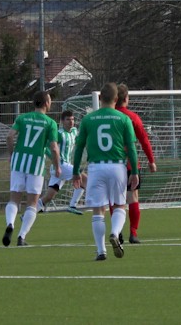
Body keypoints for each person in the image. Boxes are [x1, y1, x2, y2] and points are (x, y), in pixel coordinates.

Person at [72, 82, 139, 261]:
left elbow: (79, 148)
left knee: (98, 210)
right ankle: (115, 233)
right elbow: (131, 148)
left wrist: (76, 171)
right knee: (119, 206)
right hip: (117, 166)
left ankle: (101, 251)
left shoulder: (88, 120)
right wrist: (134, 171)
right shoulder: (123, 119)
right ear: (116, 99)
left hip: (96, 167)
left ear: (100, 98)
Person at [3, 91, 60, 247]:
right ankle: (21, 236)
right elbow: (54, 148)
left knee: (14, 199)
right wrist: (57, 166)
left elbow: (9, 136)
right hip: (36, 165)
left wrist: (11, 154)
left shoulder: (22, 118)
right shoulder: (50, 123)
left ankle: (10, 223)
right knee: (32, 203)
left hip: (18, 162)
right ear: (46, 103)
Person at [115, 83, 157, 244]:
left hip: (112, 164)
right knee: (133, 197)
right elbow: (144, 140)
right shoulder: (132, 117)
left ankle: (117, 230)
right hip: (130, 164)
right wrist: (151, 161)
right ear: (126, 98)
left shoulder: (108, 117)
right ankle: (133, 233)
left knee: (115, 199)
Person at [37, 109, 87, 214]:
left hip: (63, 167)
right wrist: (55, 160)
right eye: (68, 119)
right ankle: (74, 205)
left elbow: (78, 141)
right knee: (83, 178)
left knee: (49, 196)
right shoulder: (59, 134)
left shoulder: (74, 131)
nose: (71, 122)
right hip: (61, 165)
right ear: (62, 121)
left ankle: (29, 212)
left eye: (72, 119)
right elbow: (46, 147)